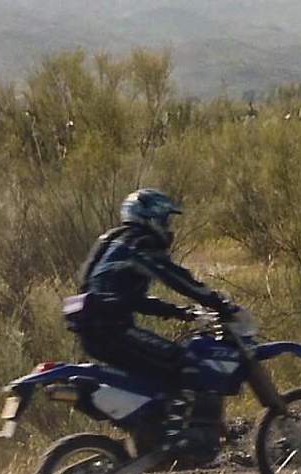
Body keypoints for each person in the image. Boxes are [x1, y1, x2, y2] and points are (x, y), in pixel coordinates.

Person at [68, 188, 240, 440]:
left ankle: (152, 429)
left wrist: (181, 313)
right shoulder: (139, 243)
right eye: (164, 220)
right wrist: (218, 302)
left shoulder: (116, 243)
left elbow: (131, 300)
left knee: (155, 372)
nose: (168, 227)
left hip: (98, 327)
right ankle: (172, 436)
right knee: (185, 361)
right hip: (111, 329)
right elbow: (176, 278)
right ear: (149, 218)